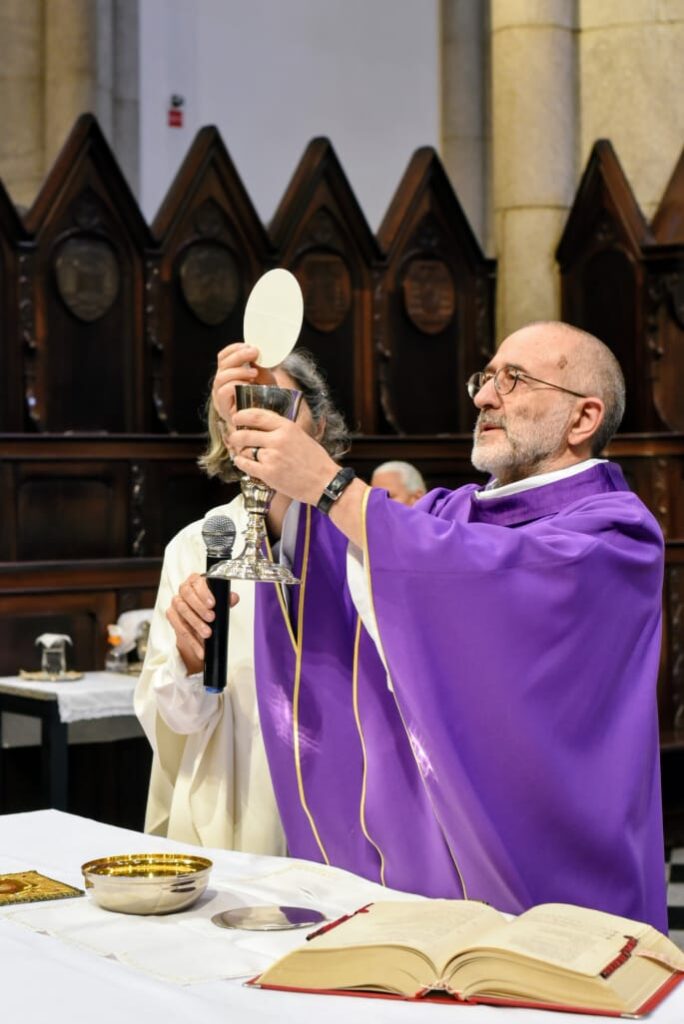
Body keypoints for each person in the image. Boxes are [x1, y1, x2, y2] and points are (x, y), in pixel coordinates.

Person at [217, 320, 668, 930]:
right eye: (485, 378)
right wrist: (260, 436)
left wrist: (327, 483)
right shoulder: (456, 513)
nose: (484, 396)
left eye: (514, 380)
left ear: (583, 419)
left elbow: (482, 578)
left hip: (557, 881)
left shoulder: (615, 534)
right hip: (434, 890)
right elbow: (329, 559)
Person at [134, 346, 349, 851]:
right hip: (232, 810)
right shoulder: (196, 545)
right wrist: (191, 660)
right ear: (228, 437)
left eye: (278, 407)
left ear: (317, 427)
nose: (259, 427)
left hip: (337, 810)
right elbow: (179, 725)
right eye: (244, 412)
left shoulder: (358, 539)